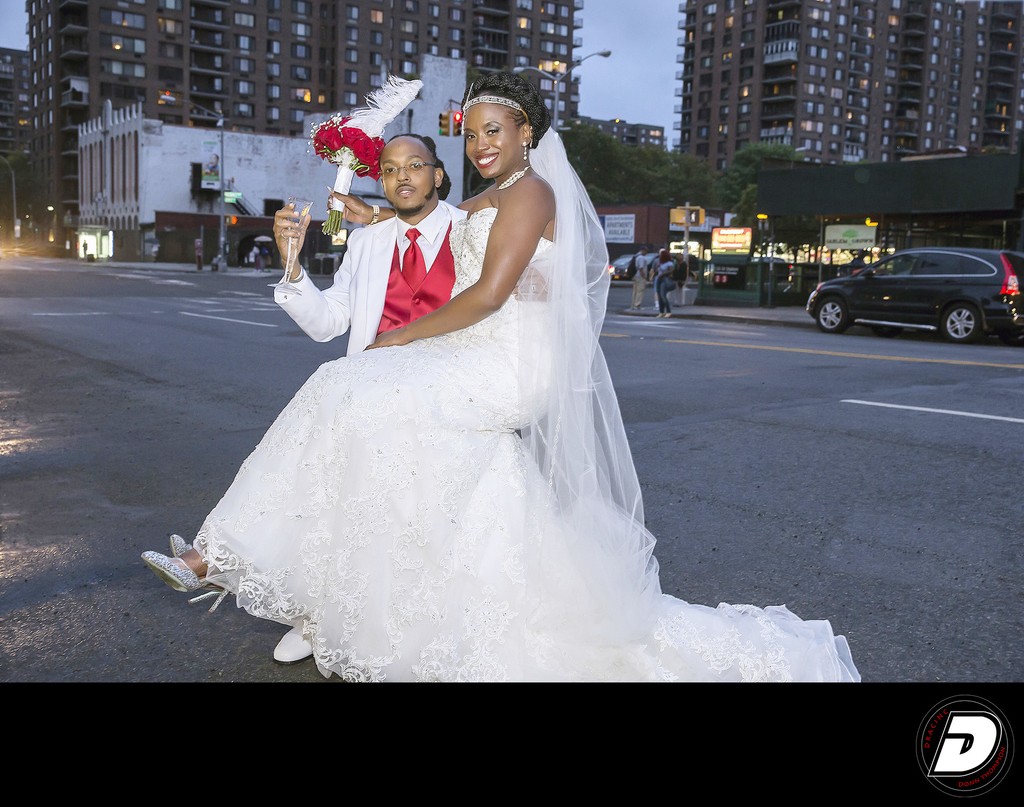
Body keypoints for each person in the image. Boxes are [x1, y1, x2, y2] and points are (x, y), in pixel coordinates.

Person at [141, 72, 860, 682]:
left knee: (347, 387)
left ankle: (227, 557)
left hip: (511, 360)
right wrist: (364, 210)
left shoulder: (532, 194)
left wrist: (397, 337)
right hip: (471, 348)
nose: (482, 143)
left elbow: (488, 293)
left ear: (525, 134)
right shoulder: (480, 200)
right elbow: (424, 218)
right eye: (472, 131)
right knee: (350, 406)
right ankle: (259, 568)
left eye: (495, 131)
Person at [653, 248, 676, 318]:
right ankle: (661, 311)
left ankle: (668, 311)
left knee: (663, 295)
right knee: (659, 295)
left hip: (665, 279)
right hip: (659, 279)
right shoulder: (659, 262)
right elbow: (655, 270)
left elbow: (671, 271)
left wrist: (663, 273)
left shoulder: (670, 263)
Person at [628, 245, 651, 310]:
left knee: (635, 291)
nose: (647, 253)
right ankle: (637, 305)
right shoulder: (641, 258)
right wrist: (644, 277)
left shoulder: (636, 256)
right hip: (640, 276)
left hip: (635, 276)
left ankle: (633, 304)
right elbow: (641, 268)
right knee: (640, 291)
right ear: (643, 250)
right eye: (646, 251)